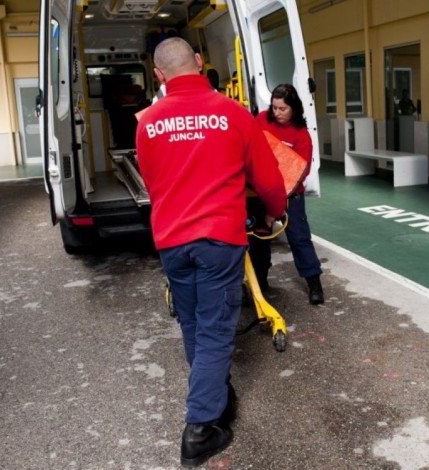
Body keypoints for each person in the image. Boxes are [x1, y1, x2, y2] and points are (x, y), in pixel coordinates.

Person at [135, 37, 286, 468]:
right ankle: (201, 428)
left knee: (194, 324)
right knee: (217, 329)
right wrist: (271, 216)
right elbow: (269, 179)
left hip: (172, 240)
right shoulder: (233, 114)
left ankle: (217, 395)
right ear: (200, 63)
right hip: (219, 239)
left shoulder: (148, 122)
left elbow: (153, 182)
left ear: (159, 75)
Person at [250, 83, 325, 305]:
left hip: (291, 194)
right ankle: (260, 283)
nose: (277, 113)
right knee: (259, 239)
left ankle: (314, 284)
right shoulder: (261, 121)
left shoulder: (302, 136)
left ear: (294, 108)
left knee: (299, 238)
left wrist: (278, 204)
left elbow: (300, 173)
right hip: (261, 192)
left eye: (282, 109)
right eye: (274, 108)